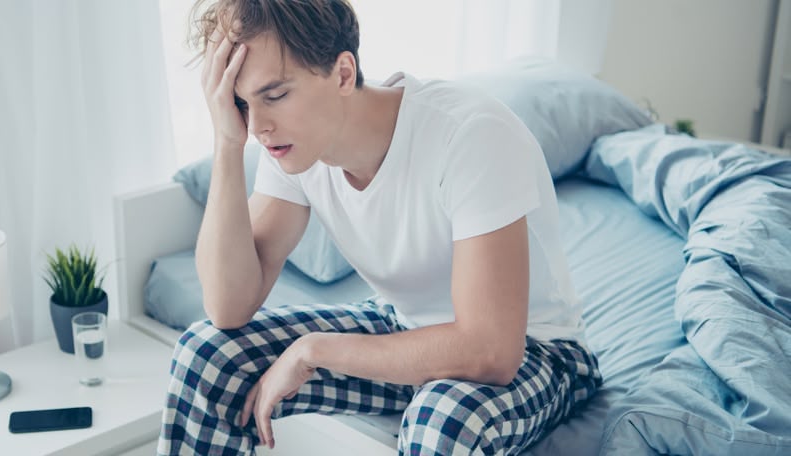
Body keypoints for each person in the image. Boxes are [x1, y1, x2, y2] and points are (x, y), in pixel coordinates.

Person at [158, 1, 602, 454]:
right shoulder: (290, 147)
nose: (260, 127)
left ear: (344, 73)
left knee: (441, 420)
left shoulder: (469, 135)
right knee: (205, 356)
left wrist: (314, 350)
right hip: (403, 329)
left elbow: (490, 351)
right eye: (242, 103)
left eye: (274, 95)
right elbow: (227, 308)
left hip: (540, 353)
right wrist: (226, 143)